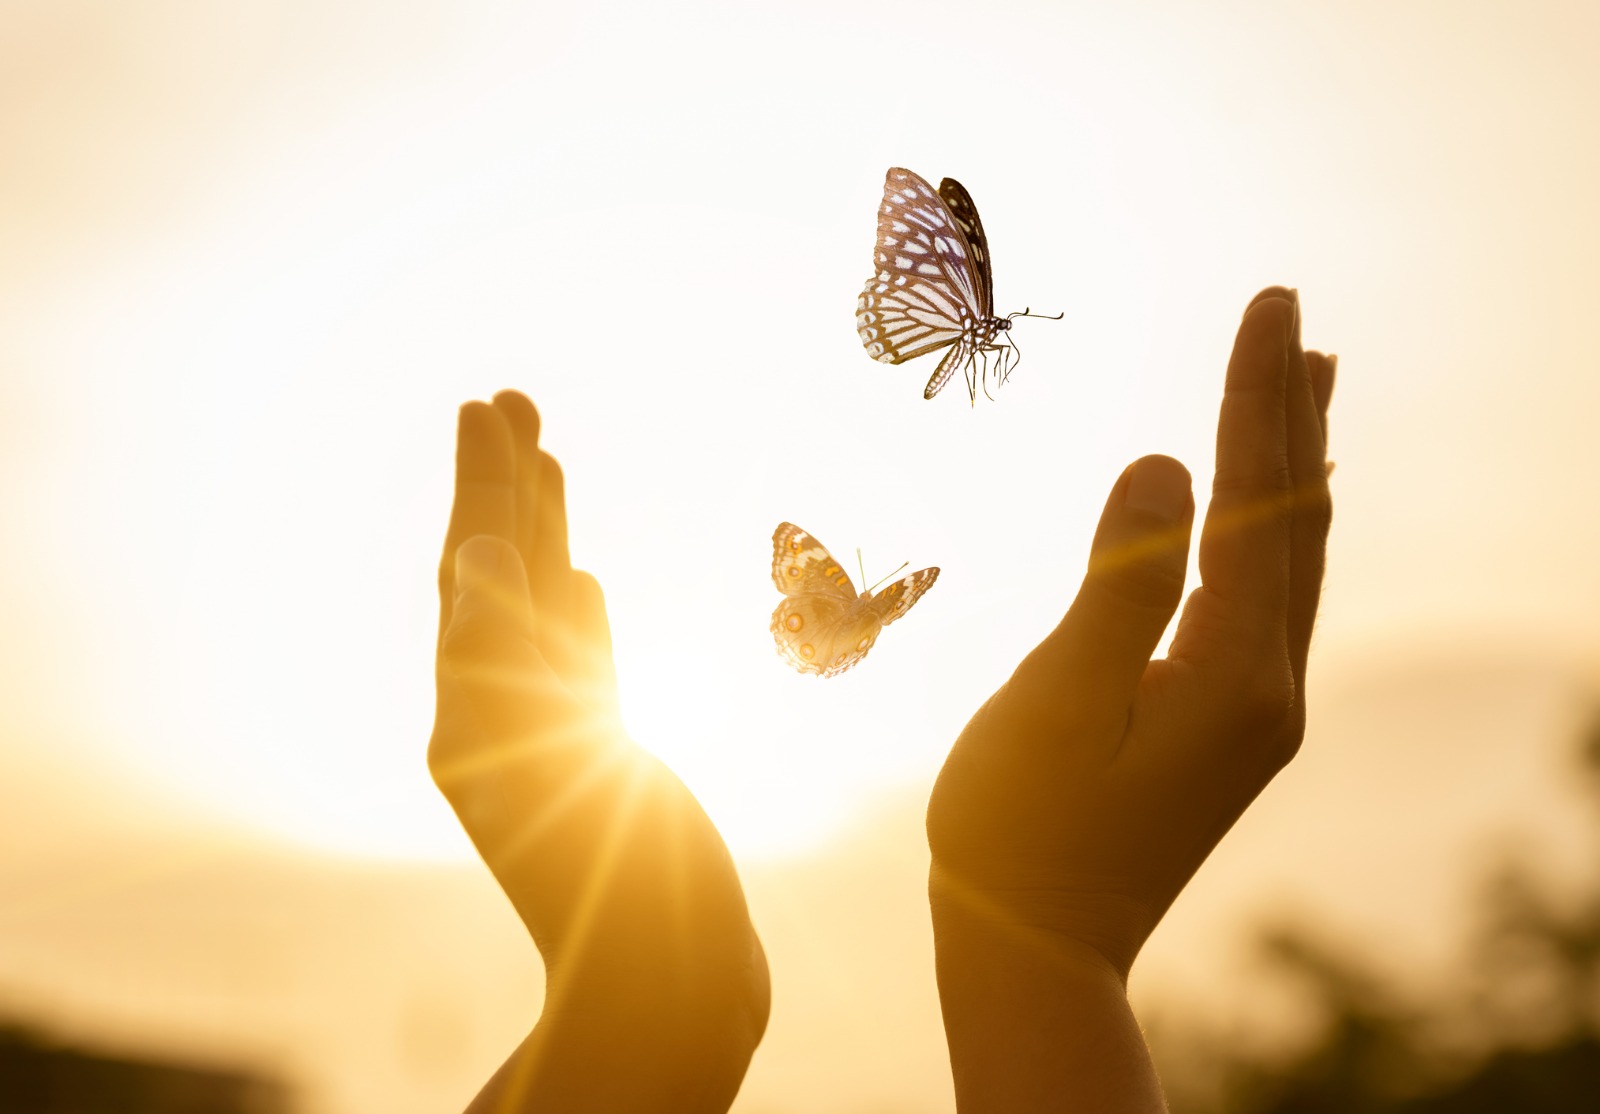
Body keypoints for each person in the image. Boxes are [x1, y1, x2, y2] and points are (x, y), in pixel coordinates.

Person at [428, 286, 1335, 1113]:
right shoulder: (857, 594)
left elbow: (658, 999)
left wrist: (647, 994)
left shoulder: (868, 596)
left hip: (830, 636)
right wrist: (1052, 938)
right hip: (836, 636)